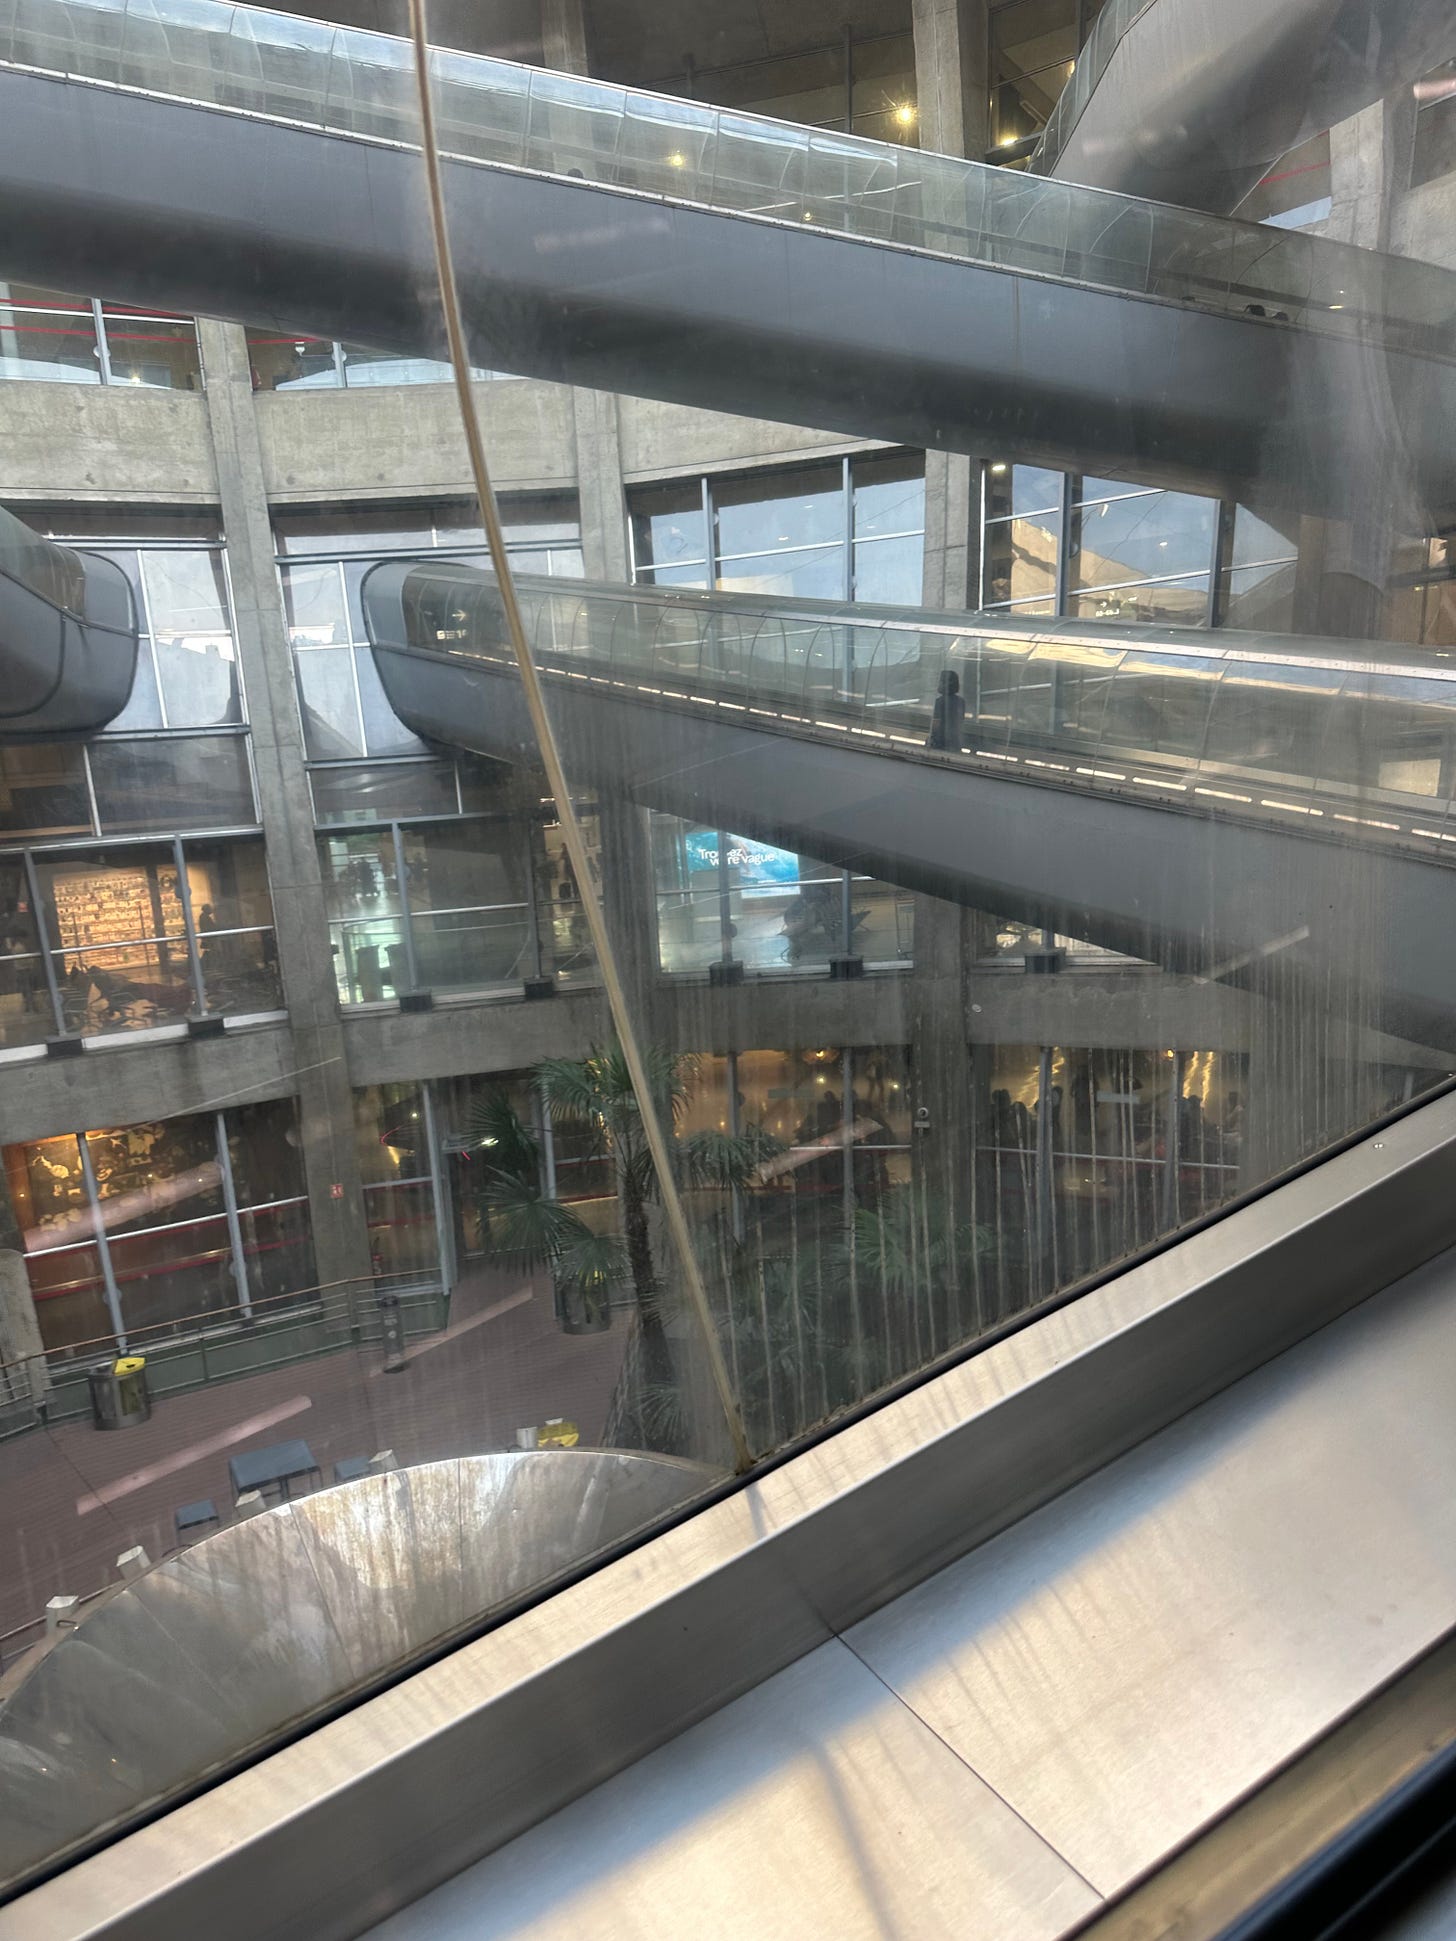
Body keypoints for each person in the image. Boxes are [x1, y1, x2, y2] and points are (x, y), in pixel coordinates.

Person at [927, 668, 965, 753]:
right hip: (955, 742)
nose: (937, 684)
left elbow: (935, 725)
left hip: (941, 743)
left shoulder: (940, 702)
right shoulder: (961, 701)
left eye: (940, 681)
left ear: (946, 684)